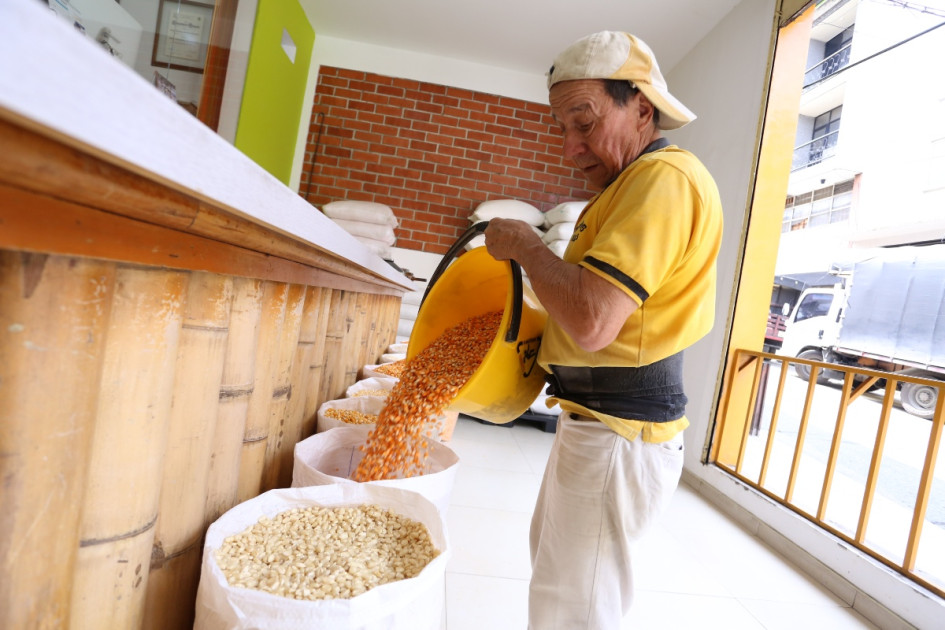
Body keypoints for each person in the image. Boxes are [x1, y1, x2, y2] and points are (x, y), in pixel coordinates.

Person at [483, 31, 723, 629]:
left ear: (641, 107)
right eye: (563, 128)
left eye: (584, 123)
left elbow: (592, 320)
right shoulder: (625, 188)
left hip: (619, 432)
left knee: (574, 609)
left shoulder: (663, 180)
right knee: (562, 586)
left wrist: (527, 247)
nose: (571, 148)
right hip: (598, 423)